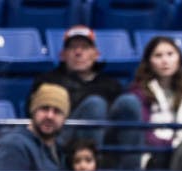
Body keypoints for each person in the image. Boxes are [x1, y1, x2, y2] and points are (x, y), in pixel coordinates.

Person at [30, 25, 141, 162]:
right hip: (63, 137)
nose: (78, 52)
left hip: (107, 140)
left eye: (85, 47)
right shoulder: (49, 81)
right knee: (95, 104)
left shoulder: (110, 84)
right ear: (62, 55)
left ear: (96, 54)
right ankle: (89, 167)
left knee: (130, 102)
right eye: (72, 48)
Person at [127, 36, 182, 170]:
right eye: (158, 55)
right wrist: (173, 145)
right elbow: (144, 133)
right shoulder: (139, 92)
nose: (165, 60)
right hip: (155, 156)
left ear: (179, 58)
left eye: (170, 54)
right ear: (149, 61)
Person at [0, 83, 69, 171]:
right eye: (44, 108)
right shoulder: (12, 146)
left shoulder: (59, 149)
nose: (50, 116)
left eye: (57, 111)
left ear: (64, 118)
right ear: (33, 111)